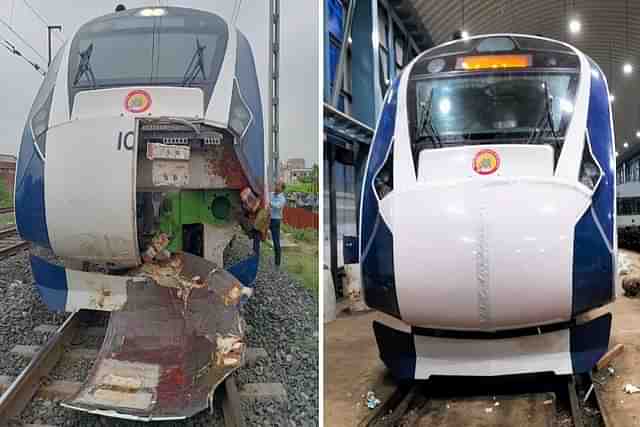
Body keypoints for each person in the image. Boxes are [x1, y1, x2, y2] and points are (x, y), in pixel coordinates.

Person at [270, 182, 286, 268]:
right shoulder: (271, 194)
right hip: (267, 218)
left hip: (275, 221)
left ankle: (277, 263)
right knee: (257, 233)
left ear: (282, 189)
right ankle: (255, 253)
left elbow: (277, 206)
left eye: (278, 186)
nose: (276, 186)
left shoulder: (282, 199)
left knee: (276, 241)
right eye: (276, 185)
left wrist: (269, 203)